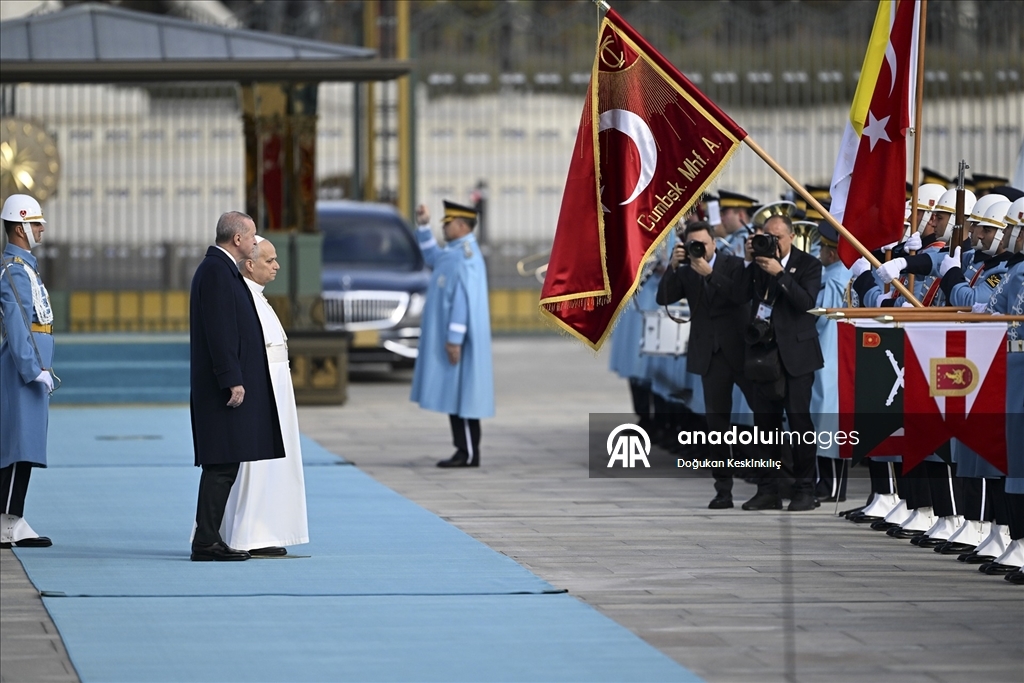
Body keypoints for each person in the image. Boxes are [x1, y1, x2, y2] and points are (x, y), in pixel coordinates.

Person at [189, 211, 285, 561]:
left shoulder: (221, 269)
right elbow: (220, 331)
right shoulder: (217, 271)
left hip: (223, 383)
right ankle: (206, 541)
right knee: (221, 464)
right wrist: (232, 379)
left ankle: (211, 537)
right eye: (253, 235)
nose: (256, 242)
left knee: (225, 463)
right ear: (238, 239)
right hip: (221, 387)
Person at [217, 235, 308, 555]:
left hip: (278, 385)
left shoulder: (258, 296)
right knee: (254, 466)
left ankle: (267, 530)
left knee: (276, 464)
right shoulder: (241, 296)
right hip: (260, 385)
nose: (277, 266)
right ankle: (247, 534)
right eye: (269, 261)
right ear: (249, 265)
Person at [656, 220, 755, 509]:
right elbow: (663, 298)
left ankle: (773, 482)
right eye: (692, 245)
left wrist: (710, 274)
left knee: (764, 415)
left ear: (713, 243)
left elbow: (740, 295)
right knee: (717, 425)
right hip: (710, 356)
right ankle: (723, 489)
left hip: (741, 352)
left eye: (703, 243)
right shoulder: (686, 270)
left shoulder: (734, 264)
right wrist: (673, 267)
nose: (699, 249)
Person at [740, 214, 823, 511]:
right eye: (767, 237)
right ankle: (768, 490)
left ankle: (805, 490)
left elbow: (806, 303)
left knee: (800, 424)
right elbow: (737, 295)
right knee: (765, 426)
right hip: (764, 356)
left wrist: (780, 274)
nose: (772, 242)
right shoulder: (758, 263)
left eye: (777, 237)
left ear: (791, 237)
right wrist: (749, 261)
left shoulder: (809, 264)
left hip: (797, 357)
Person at [411, 201, 494, 468]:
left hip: (461, 340)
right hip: (454, 338)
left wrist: (454, 340)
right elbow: (432, 257)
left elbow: (463, 301)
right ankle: (462, 449)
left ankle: (468, 452)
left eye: (447, 224)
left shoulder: (466, 257)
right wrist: (424, 227)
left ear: (461, 225)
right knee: (456, 395)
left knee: (464, 396)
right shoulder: (455, 252)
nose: (444, 228)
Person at [0, 195, 55, 549]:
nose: (41, 229)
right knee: (16, 446)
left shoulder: (26, 267)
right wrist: (32, 369)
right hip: (24, 368)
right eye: (35, 224)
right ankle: (6, 521)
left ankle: (14, 518)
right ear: (20, 228)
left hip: (33, 365)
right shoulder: (15, 270)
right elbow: (18, 322)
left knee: (27, 446)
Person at [810, 222, 851, 503]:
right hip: (834, 352)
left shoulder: (834, 278)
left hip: (830, 351)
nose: (820, 253)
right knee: (826, 419)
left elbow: (819, 315)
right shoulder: (842, 274)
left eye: (823, 248)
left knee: (827, 421)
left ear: (832, 253)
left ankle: (831, 485)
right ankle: (826, 482)